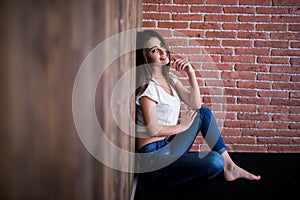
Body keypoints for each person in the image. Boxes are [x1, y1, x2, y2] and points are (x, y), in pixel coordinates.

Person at [135, 29, 261, 186]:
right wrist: (183, 126)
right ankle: (210, 167)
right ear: (146, 57)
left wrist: (190, 73)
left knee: (203, 113)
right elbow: (153, 130)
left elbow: (196, 105)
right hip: (152, 159)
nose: (162, 52)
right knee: (214, 161)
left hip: (167, 146)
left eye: (162, 46)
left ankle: (230, 166)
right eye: (154, 50)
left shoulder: (170, 79)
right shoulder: (148, 88)